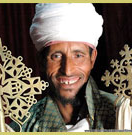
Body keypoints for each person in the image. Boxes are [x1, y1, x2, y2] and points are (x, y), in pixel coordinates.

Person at [9, 3, 117, 132]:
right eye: (56, 56)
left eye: (78, 55)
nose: (67, 70)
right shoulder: (23, 125)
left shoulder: (123, 113)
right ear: (42, 61)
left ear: (92, 58)